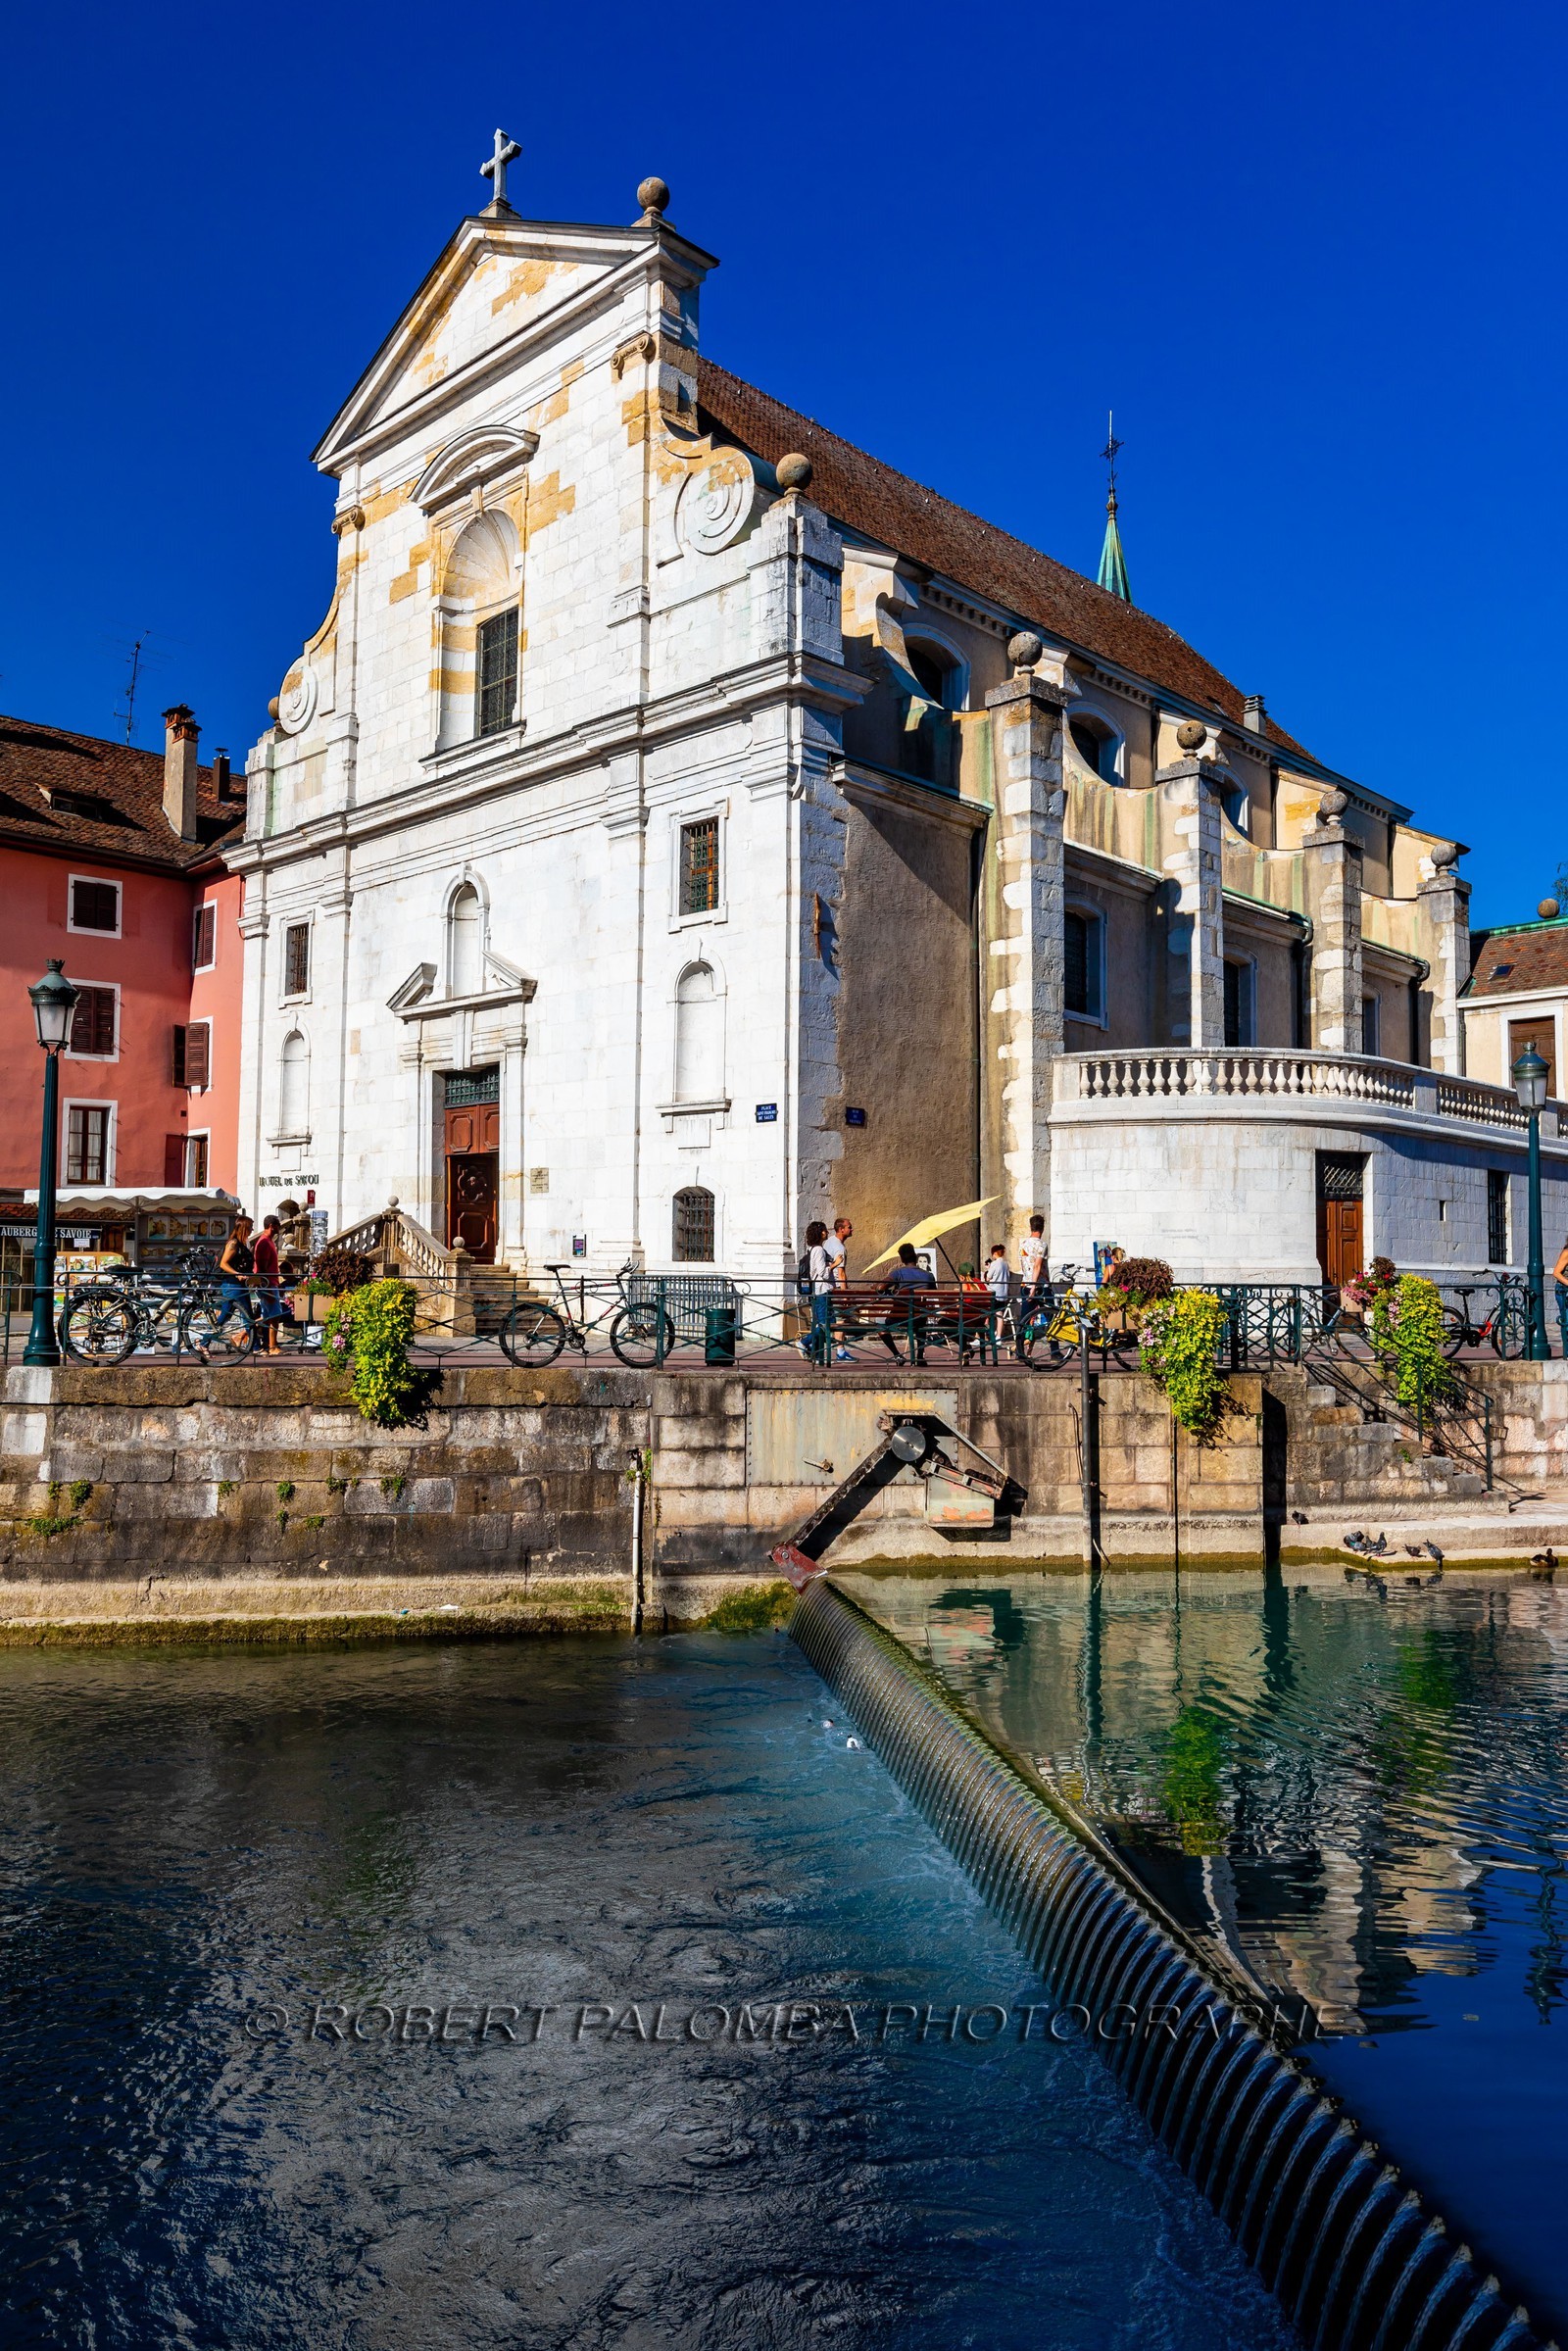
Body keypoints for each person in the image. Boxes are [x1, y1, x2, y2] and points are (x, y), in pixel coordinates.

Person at [206, 1214, 256, 1360]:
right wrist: (238, 1274)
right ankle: (256, 1348)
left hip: (238, 1285)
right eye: (250, 1226)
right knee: (246, 1316)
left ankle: (203, 1342)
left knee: (225, 1316)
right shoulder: (233, 1244)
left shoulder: (241, 1243)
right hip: (232, 1284)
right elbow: (223, 1263)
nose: (252, 1229)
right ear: (244, 1227)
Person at [880, 1242, 936, 1364]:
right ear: (915, 1257)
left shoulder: (898, 1273)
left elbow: (881, 1287)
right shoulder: (928, 1276)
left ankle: (898, 1355)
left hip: (900, 1318)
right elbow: (934, 1293)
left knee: (880, 1325)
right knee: (921, 1321)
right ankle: (920, 1356)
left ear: (901, 1259)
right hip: (919, 1318)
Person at [800, 1220, 834, 1363]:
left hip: (819, 1290)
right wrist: (835, 1265)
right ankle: (805, 1342)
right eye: (825, 1230)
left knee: (826, 1322)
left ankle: (815, 1352)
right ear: (820, 1233)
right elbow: (823, 1273)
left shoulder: (814, 1249)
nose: (827, 1232)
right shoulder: (819, 1250)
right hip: (822, 1291)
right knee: (824, 1324)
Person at [253, 1214, 286, 1354]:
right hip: (268, 1284)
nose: (280, 1229)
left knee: (268, 1316)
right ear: (272, 1226)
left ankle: (242, 1336)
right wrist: (267, 1288)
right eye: (278, 1226)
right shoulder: (265, 1242)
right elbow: (262, 1267)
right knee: (275, 1315)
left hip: (271, 1283)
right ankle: (272, 1346)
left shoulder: (269, 1241)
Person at [824, 1216, 854, 1363]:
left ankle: (839, 1351)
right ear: (841, 1229)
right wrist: (845, 1294)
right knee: (841, 1319)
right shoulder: (840, 1248)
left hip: (826, 1287)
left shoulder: (828, 1242)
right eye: (849, 1227)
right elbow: (841, 1273)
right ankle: (840, 1352)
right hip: (836, 1288)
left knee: (829, 1320)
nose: (852, 1229)